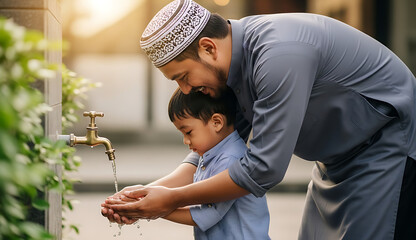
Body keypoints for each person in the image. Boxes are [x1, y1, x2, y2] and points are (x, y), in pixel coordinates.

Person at [102, 0, 416, 239]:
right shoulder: (235, 60)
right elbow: (213, 148)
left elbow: (263, 168)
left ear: (208, 47)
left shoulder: (277, 55)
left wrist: (169, 201)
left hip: (386, 150)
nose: (185, 89)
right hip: (334, 163)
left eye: (183, 76)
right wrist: (145, 195)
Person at [167, 88, 271, 239]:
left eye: (188, 132)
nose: (185, 141)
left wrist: (158, 209)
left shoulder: (231, 159)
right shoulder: (211, 154)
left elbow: (208, 214)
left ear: (217, 122)